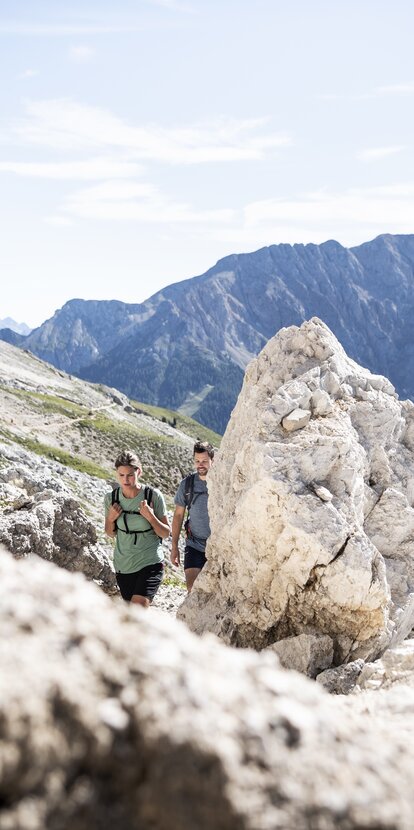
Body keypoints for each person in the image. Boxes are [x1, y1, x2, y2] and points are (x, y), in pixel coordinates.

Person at [104, 450, 170, 607]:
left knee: (137, 608)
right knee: (131, 617)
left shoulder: (153, 496)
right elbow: (109, 533)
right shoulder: (111, 498)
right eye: (121, 475)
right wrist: (111, 518)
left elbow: (165, 533)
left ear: (138, 472)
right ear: (116, 474)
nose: (125, 480)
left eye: (130, 475)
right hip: (124, 565)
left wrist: (150, 516)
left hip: (150, 562)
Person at [171, 440, 214, 592]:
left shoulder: (221, 483)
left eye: (204, 461)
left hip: (217, 547)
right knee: (192, 588)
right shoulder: (187, 484)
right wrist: (174, 546)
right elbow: (178, 516)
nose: (200, 465)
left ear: (212, 460)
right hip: (194, 544)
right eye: (197, 461)